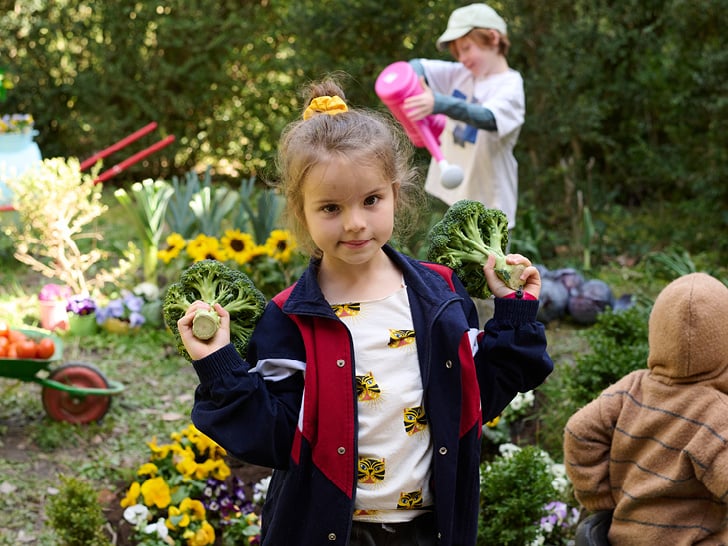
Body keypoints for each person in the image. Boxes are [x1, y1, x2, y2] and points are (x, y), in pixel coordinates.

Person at [177, 78, 553, 546]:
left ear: (395, 193)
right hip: (327, 531)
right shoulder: (288, 318)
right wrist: (219, 363)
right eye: (331, 207)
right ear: (301, 211)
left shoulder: (442, 296)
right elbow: (273, 439)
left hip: (431, 532)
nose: (355, 222)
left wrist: (514, 314)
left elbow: (479, 398)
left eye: (371, 200)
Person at [563, 272, 728, 545]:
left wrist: (602, 498)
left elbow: (579, 431)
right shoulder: (716, 415)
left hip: (622, 535)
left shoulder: (631, 387)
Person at [404, 3, 524, 232]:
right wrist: (417, 89)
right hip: (452, 191)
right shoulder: (461, 73)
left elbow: (488, 117)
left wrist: (438, 103)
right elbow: (415, 67)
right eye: (457, 52)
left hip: (491, 200)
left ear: (493, 38)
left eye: (467, 48)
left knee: (491, 265)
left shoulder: (510, 85)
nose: (462, 58)